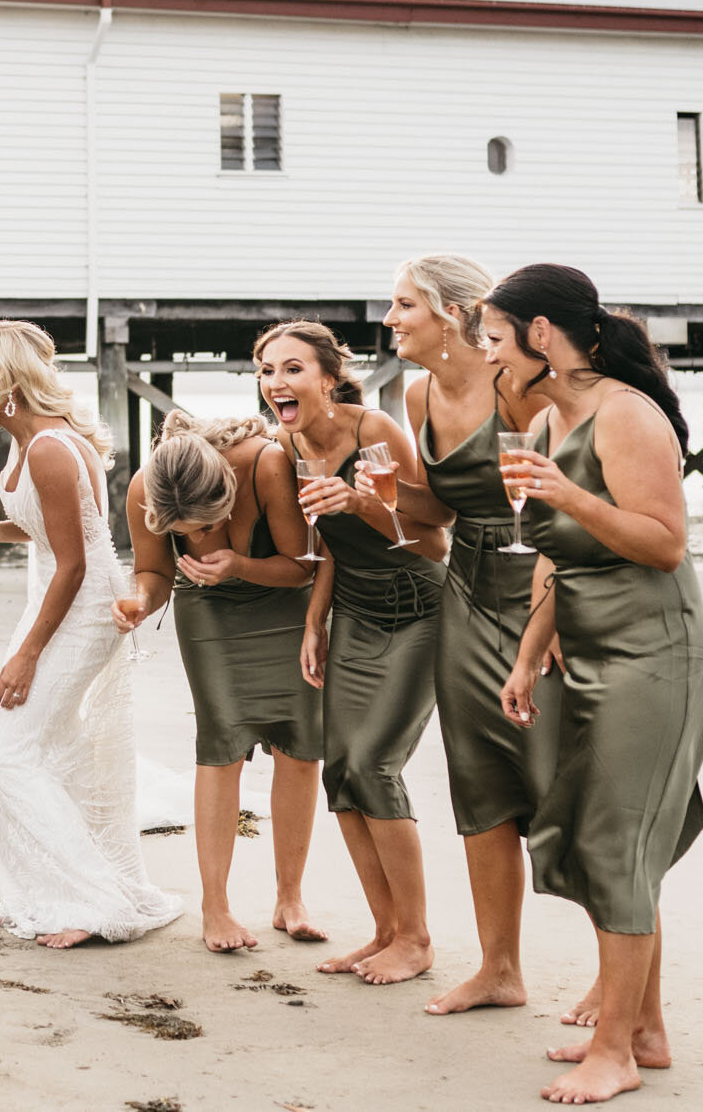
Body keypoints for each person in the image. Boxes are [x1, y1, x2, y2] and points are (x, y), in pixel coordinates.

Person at [486, 264, 703, 1107]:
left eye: (494, 338)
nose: (489, 355)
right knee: (592, 835)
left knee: (618, 844)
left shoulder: (626, 413)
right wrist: (525, 652)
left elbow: (663, 543)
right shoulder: (551, 417)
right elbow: (556, 554)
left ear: (540, 334)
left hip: (658, 655)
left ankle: (614, 1049)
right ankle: (645, 1027)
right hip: (588, 650)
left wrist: (571, 494)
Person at [0, 320, 182, 948]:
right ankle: (35, 892)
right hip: (55, 602)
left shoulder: (51, 448)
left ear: (8, 379)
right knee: (47, 754)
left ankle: (91, 902)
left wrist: (28, 653)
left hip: (79, 614)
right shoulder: (24, 439)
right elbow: (59, 532)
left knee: (5, 755)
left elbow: (77, 562)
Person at [380, 256, 559, 1018]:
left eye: (402, 304)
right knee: (479, 779)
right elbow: (434, 519)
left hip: (541, 588)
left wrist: (558, 616)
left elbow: (568, 497)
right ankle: (498, 968)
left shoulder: (516, 384)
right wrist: (381, 496)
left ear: (454, 311)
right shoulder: (418, 393)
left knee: (561, 780)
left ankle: (618, 974)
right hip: (466, 593)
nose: (390, 319)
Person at [263, 320, 448, 986]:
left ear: (326, 377)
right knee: (341, 771)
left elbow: (432, 539)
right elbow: (330, 548)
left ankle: (419, 937)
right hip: (357, 616)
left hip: (420, 610)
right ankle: (386, 930)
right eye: (267, 371)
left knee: (376, 764)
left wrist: (362, 500)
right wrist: (315, 621)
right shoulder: (285, 444)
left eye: (292, 369)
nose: (277, 383)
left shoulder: (373, 433)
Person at [115, 407, 323, 954]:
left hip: (282, 605)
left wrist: (238, 564)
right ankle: (216, 905)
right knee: (221, 746)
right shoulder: (146, 487)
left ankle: (289, 898)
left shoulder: (267, 465)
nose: (201, 536)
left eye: (207, 524)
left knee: (299, 748)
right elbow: (156, 573)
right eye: (189, 532)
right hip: (207, 613)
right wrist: (139, 603)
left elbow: (303, 565)